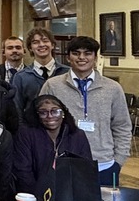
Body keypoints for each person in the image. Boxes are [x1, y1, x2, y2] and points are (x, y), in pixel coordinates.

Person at [40, 35, 132, 186]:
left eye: (88, 53)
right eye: (76, 53)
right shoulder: (53, 85)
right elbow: (41, 122)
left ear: (95, 57)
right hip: (63, 163)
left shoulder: (113, 88)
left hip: (104, 164)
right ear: (68, 57)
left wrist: (118, 161)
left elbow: (122, 126)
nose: (81, 58)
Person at [13, 94, 94, 196]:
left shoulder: (77, 135)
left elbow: (85, 171)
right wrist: (41, 198)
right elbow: (23, 172)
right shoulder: (26, 134)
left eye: (55, 111)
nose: (50, 116)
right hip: (34, 196)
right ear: (37, 115)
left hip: (70, 198)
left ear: (63, 113)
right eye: (43, 113)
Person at [11, 27, 69, 114]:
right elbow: (17, 109)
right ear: (30, 48)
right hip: (32, 126)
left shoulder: (67, 73)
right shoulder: (20, 77)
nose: (41, 45)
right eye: (35, 42)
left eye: (45, 41)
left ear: (52, 45)